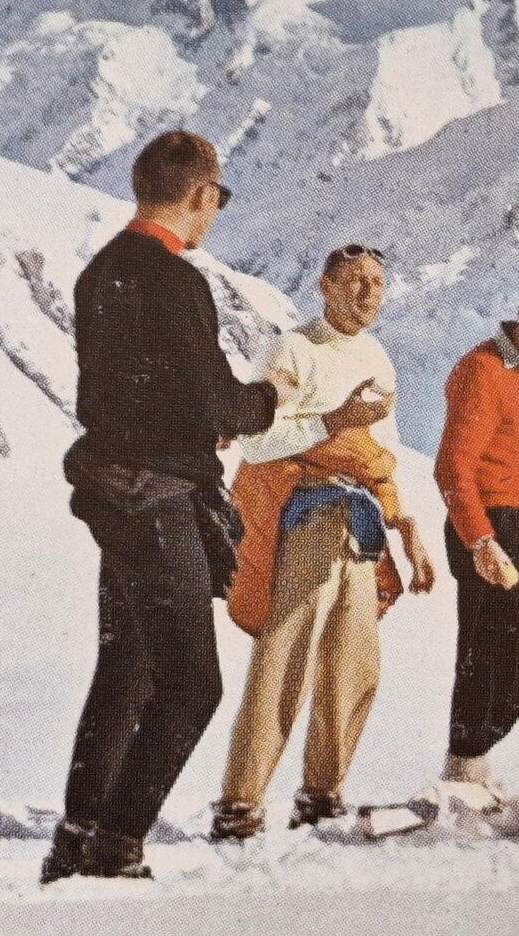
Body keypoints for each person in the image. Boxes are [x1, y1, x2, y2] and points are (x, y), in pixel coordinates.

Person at [46, 130, 279, 882]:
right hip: (158, 499)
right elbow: (218, 397)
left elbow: (121, 392)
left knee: (128, 667)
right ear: (200, 195)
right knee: (191, 683)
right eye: (218, 198)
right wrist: (268, 401)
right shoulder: (178, 282)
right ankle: (117, 844)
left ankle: (78, 834)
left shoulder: (101, 272)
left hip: (111, 493)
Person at [210, 244, 436, 840]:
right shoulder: (294, 349)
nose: (368, 293)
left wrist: (405, 524)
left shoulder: (377, 357)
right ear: (326, 287)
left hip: (359, 518)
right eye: (355, 282)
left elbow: (379, 457)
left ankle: (321, 791)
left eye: (378, 283)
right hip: (304, 510)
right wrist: (330, 425)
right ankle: (240, 801)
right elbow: (255, 440)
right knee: (285, 653)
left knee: (355, 659)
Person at [432, 278, 519, 794]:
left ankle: (474, 761)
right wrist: (480, 539)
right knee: (490, 646)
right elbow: (452, 467)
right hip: (488, 519)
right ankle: (464, 764)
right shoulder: (482, 369)